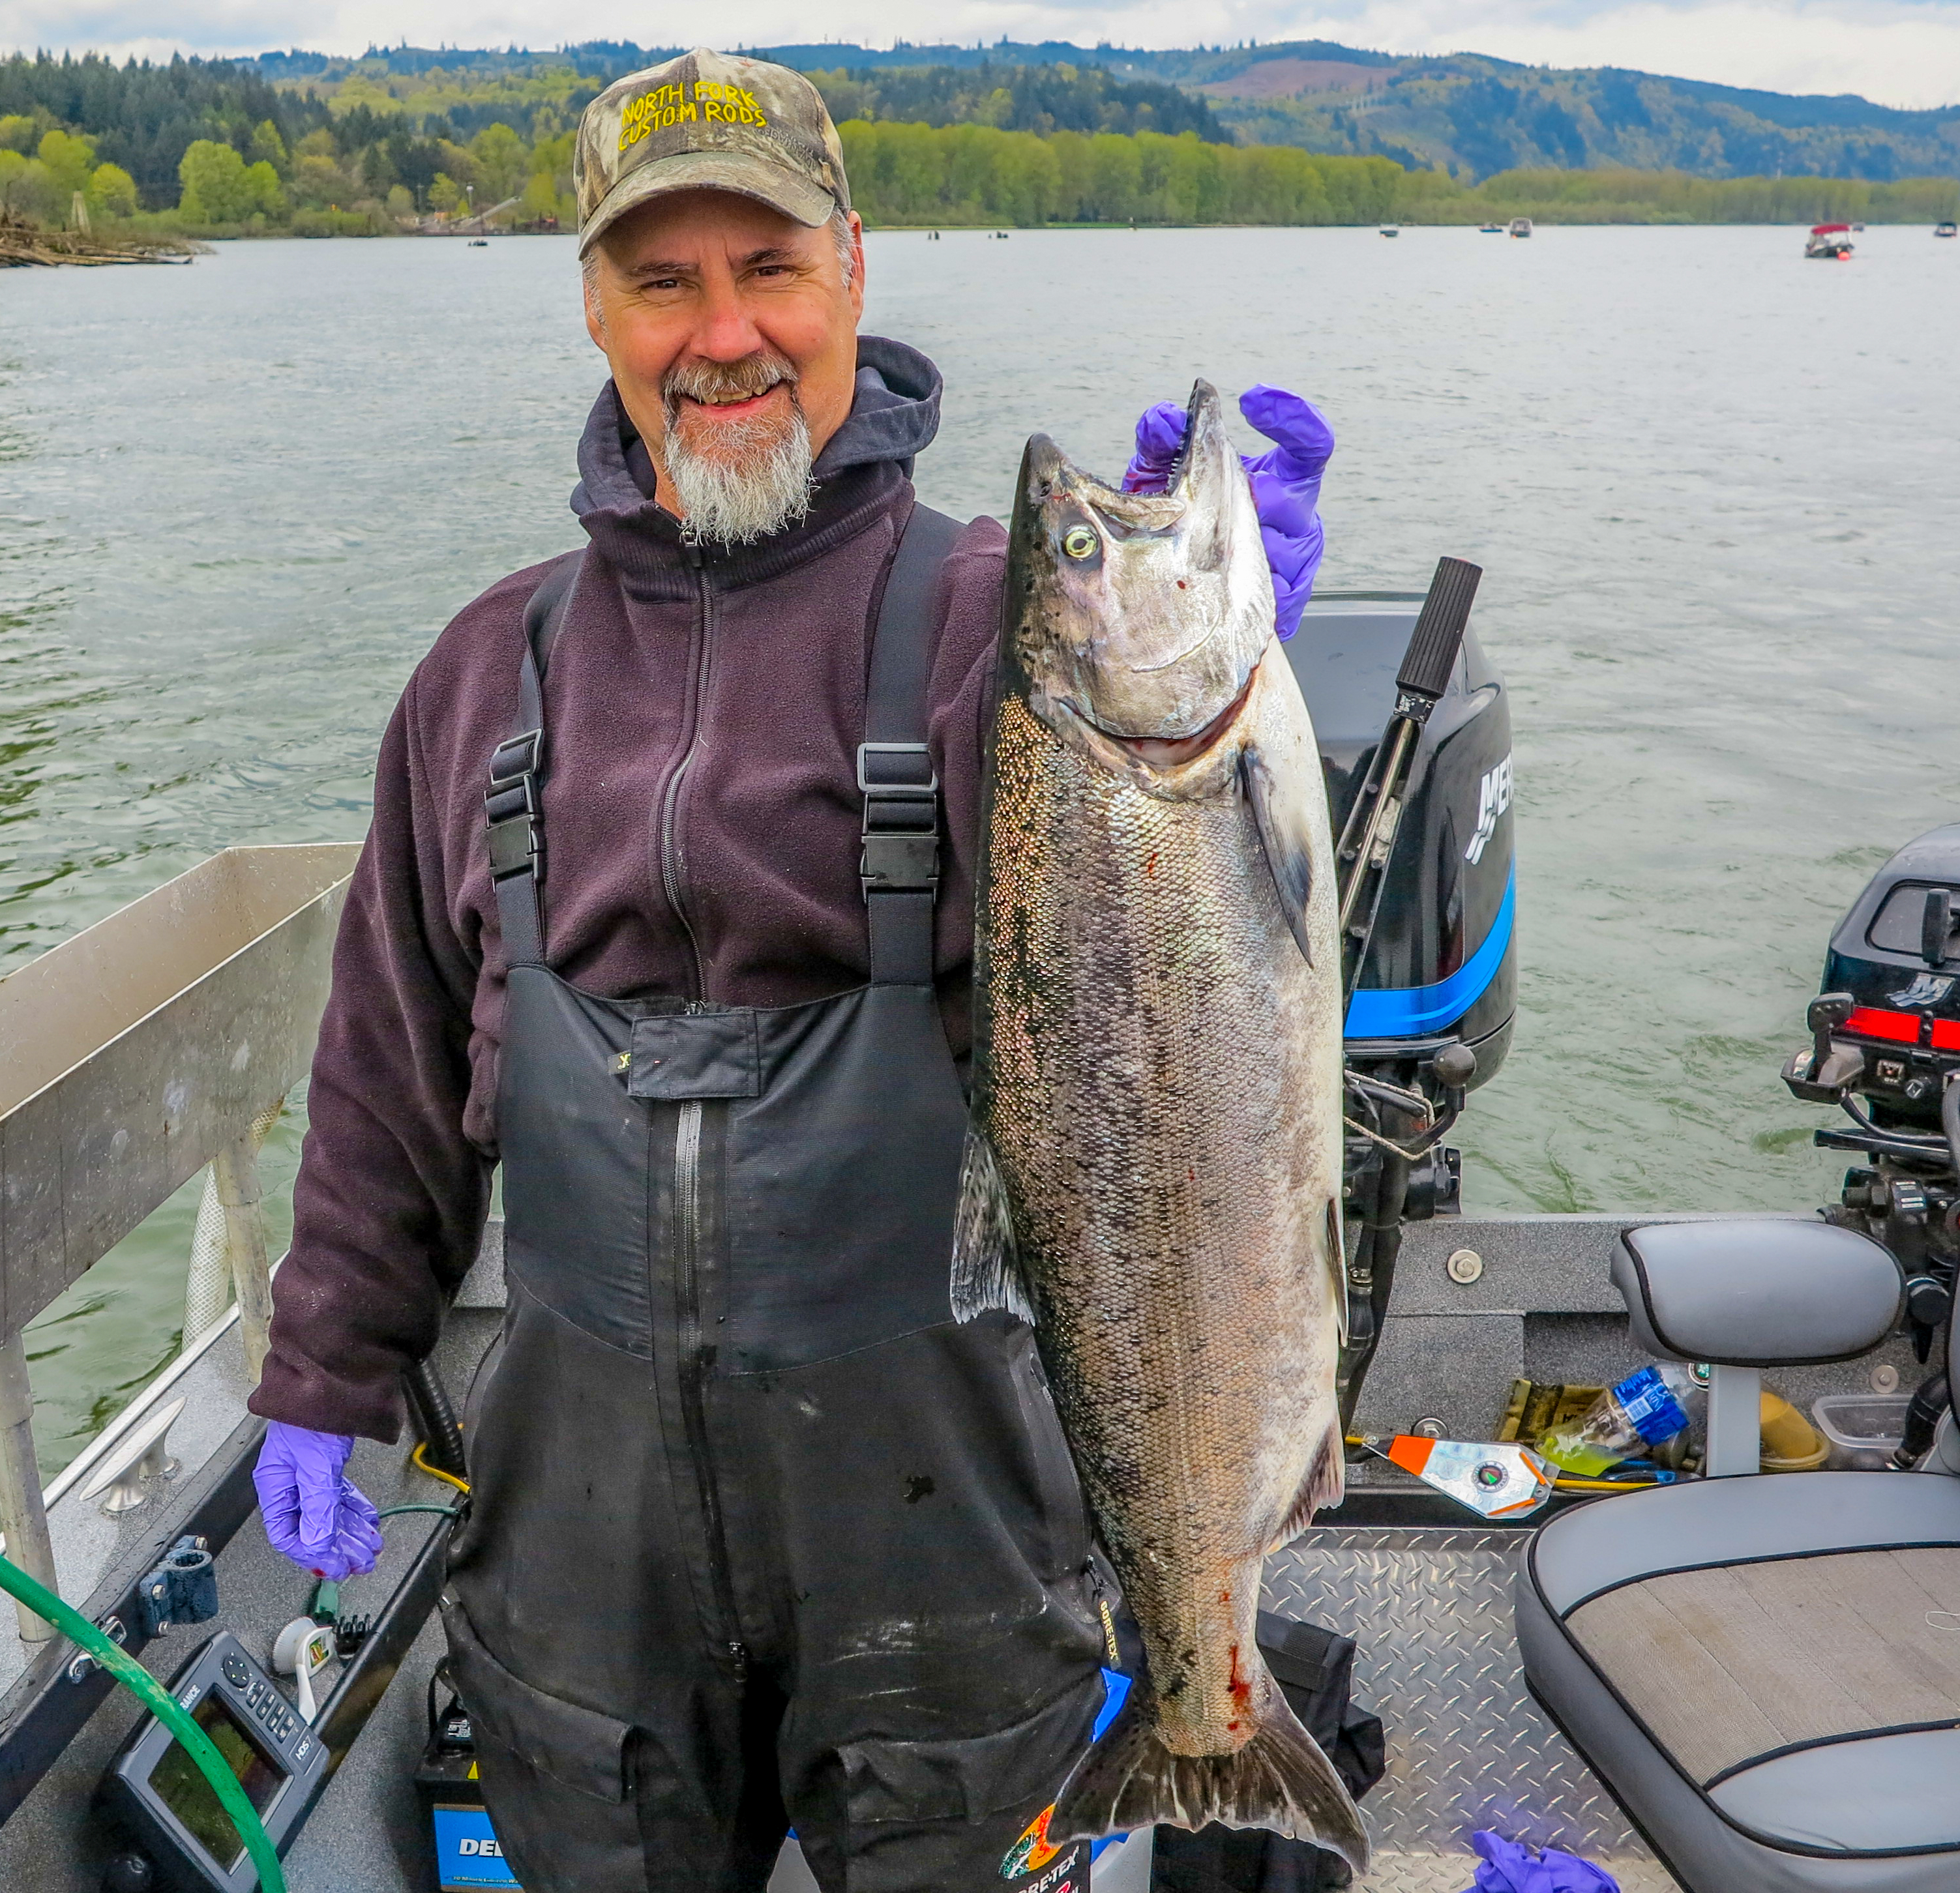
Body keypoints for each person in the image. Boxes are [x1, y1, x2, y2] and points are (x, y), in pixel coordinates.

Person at [243, 48, 1333, 1892]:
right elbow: (389, 1070)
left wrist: (1228, 676)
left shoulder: (1007, 634)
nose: (723, 334)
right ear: (594, 309)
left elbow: (1196, 984)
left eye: (770, 270)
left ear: (853, 269)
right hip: (582, 1555)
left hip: (944, 1526)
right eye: (663, 282)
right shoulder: (481, 674)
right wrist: (322, 1373)